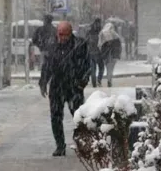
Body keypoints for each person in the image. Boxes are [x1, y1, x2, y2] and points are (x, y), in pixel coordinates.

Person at [39, 21, 91, 157]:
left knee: (78, 116)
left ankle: (82, 144)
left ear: (70, 33)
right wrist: (43, 82)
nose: (62, 38)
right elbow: (47, 65)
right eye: (60, 34)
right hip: (57, 86)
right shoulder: (53, 46)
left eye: (65, 35)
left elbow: (87, 65)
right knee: (56, 117)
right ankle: (60, 146)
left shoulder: (79, 45)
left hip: (74, 86)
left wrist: (82, 82)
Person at [98, 22, 122, 87]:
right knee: (111, 69)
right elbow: (119, 46)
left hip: (105, 55)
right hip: (113, 55)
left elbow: (99, 45)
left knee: (108, 68)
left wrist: (102, 53)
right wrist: (118, 54)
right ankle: (109, 80)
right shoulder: (115, 35)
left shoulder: (102, 34)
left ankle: (109, 80)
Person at [86, 18, 104, 87]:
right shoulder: (101, 31)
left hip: (91, 52)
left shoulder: (89, 31)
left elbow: (86, 41)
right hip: (99, 53)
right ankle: (99, 80)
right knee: (101, 67)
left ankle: (94, 83)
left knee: (93, 68)